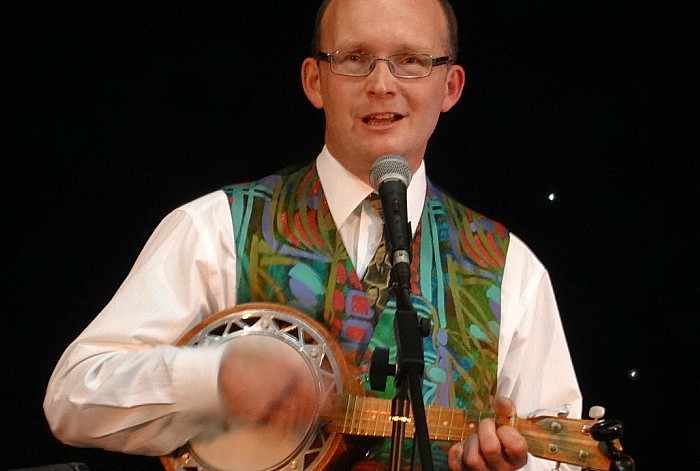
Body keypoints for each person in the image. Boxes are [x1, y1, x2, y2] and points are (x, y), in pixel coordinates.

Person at [43, 0, 582, 470]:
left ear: (451, 86)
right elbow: (74, 395)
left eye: (412, 61)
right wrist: (218, 379)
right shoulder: (216, 230)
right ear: (313, 81)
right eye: (353, 58)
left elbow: (557, 457)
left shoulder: (510, 269)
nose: (381, 83)